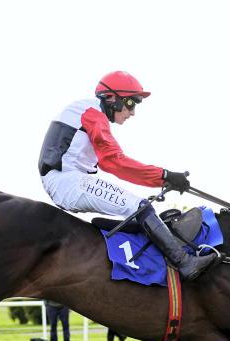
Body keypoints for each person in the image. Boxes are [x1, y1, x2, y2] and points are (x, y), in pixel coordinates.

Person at [38, 70, 218, 281]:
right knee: (140, 207)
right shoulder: (92, 114)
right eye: (131, 103)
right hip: (67, 181)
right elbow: (114, 162)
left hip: (67, 180)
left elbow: (113, 164)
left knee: (137, 209)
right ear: (112, 98)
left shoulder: (88, 112)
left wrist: (162, 179)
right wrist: (165, 175)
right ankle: (185, 263)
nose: (132, 112)